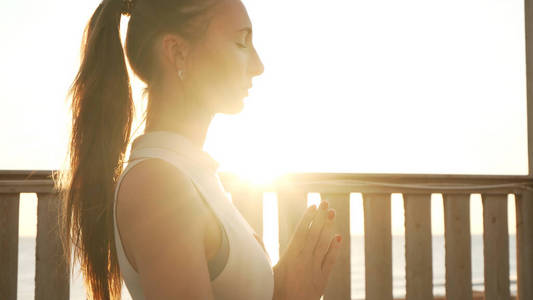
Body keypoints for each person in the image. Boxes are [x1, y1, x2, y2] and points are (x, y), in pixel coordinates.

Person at [55, 0, 343, 299]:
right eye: (241, 42)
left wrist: (280, 289)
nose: (258, 66)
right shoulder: (157, 185)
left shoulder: (189, 173)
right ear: (178, 52)